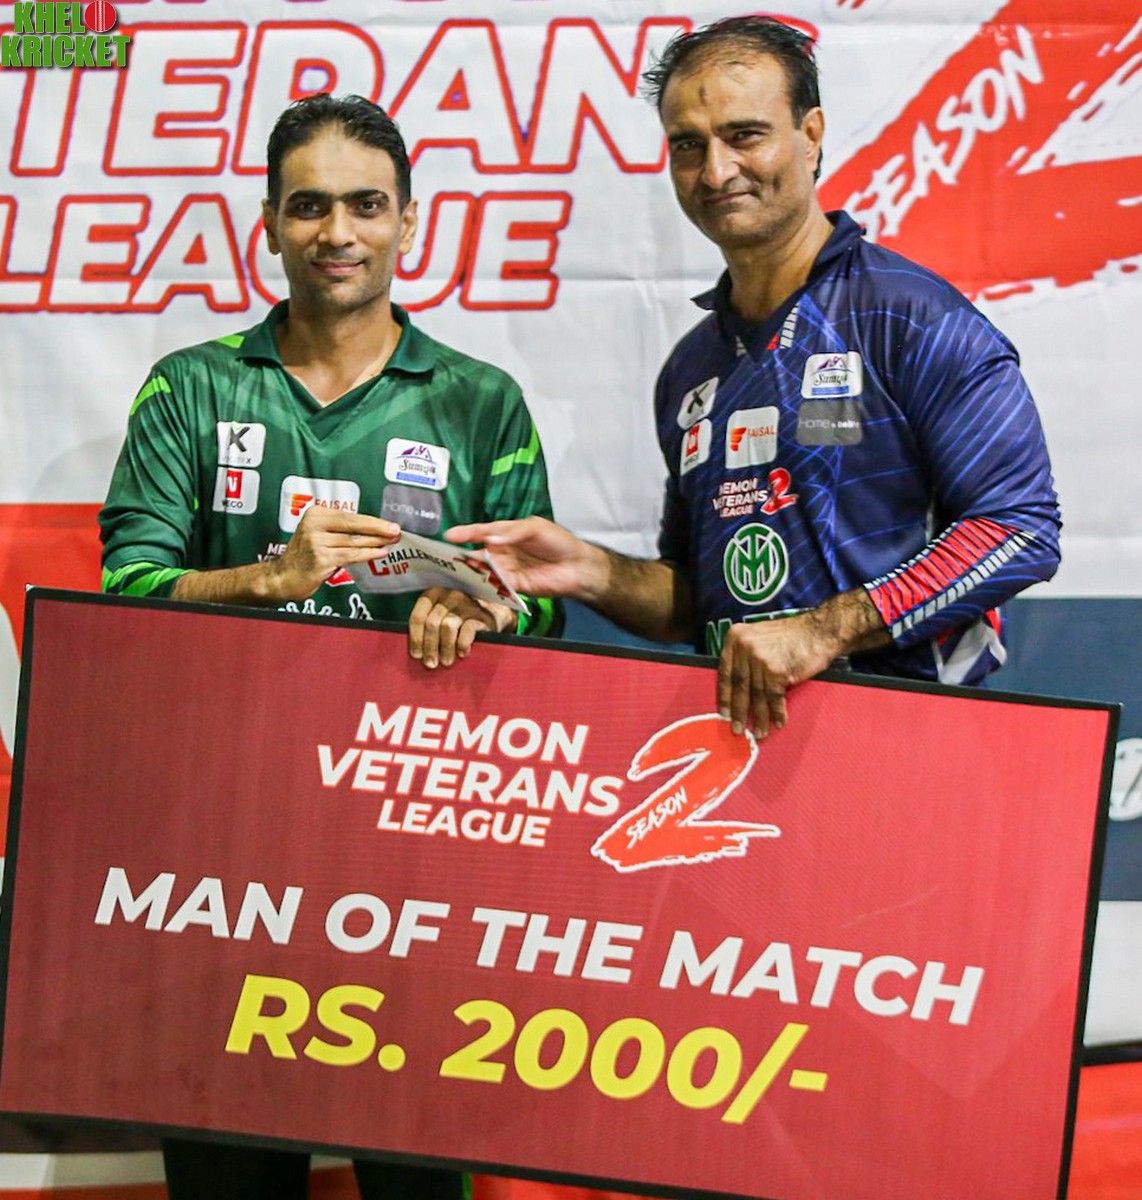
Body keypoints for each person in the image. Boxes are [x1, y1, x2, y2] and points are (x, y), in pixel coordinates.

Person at [98, 92, 560, 1198]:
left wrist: (486, 608)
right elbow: (123, 590)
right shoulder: (194, 386)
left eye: (365, 205)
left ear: (409, 222)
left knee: (414, 1176)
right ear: (268, 223)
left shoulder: (480, 402)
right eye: (309, 207)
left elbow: (542, 604)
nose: (337, 232)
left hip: (407, 867)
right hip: (219, 858)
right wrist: (266, 579)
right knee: (229, 1176)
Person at [447, 15, 1061, 738]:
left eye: (744, 135)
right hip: (748, 754)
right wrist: (592, 570)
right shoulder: (693, 367)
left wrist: (826, 629)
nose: (715, 171)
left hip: (908, 744)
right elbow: (697, 603)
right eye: (688, 145)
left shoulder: (908, 315)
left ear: (811, 135)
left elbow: (1020, 529)